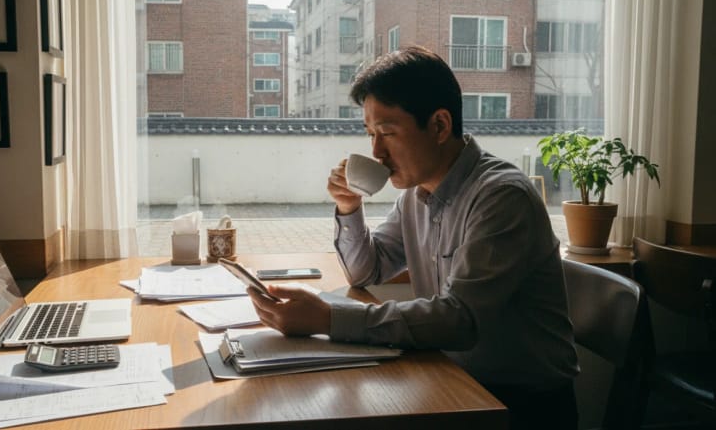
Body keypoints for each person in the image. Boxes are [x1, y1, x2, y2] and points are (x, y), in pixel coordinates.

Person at [247, 45, 580, 429]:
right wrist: (349, 208)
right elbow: (366, 272)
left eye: (387, 132)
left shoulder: (502, 197)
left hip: (520, 407)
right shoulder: (416, 196)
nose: (376, 151)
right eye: (370, 134)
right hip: (452, 380)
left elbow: (458, 320)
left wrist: (328, 318)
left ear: (439, 126)